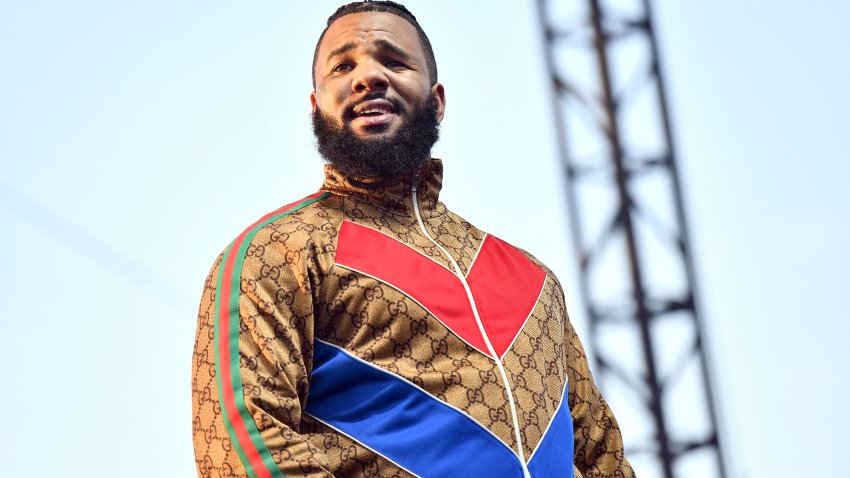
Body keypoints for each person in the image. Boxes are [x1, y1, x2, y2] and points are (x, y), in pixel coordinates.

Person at [191, 2, 635, 477]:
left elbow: (601, 459)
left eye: (394, 61)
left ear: (437, 99)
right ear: (316, 106)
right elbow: (247, 450)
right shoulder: (277, 251)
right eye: (343, 66)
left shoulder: (533, 280)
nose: (368, 76)